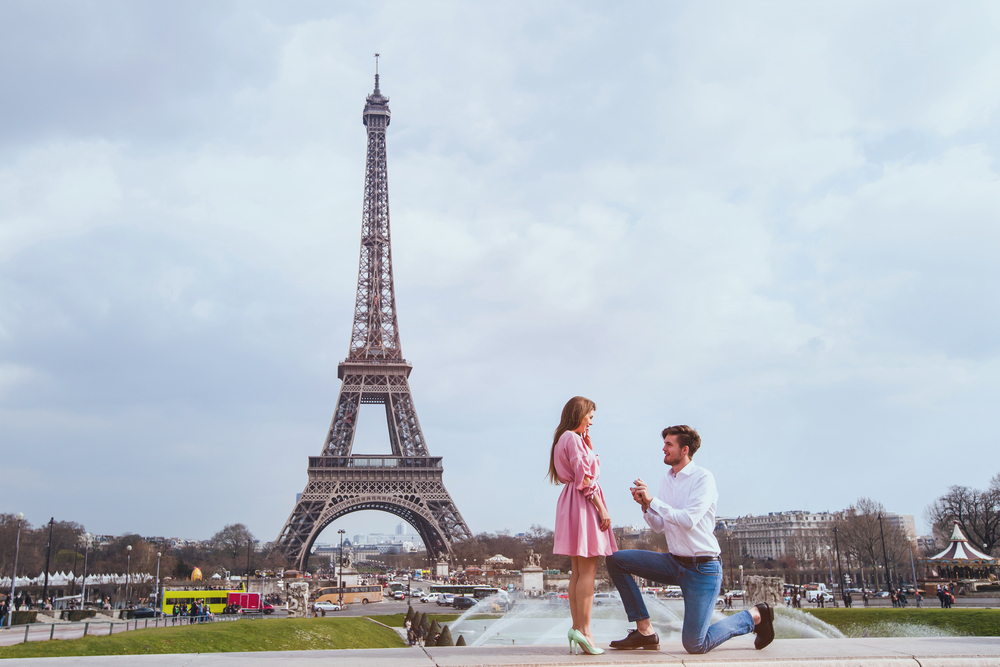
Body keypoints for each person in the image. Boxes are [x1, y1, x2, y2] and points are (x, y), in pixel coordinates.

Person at [605, 425, 775, 654]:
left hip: (703, 569)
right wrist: (645, 506)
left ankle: (755, 616)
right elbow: (659, 526)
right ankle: (644, 630)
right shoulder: (668, 479)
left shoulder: (703, 478)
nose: (663, 448)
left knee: (695, 644)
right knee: (616, 560)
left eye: (668, 444)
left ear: (684, 449)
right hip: (674, 562)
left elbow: (688, 520)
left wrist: (653, 501)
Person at [549, 396, 617, 656]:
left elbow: (577, 472)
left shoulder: (563, 438)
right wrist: (602, 509)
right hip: (585, 502)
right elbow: (585, 479)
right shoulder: (573, 439)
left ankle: (577, 627)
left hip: (570, 502)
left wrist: (588, 444)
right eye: (589, 415)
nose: (591, 420)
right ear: (579, 413)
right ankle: (586, 633)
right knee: (588, 571)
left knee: (577, 572)